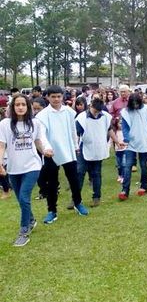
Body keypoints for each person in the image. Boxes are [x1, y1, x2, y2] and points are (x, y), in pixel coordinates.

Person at [0, 94, 53, 246]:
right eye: (17, 105)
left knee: (24, 197)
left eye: (23, 104)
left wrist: (44, 151)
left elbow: (38, 141)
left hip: (32, 166)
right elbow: (2, 145)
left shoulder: (35, 123)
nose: (21, 107)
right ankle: (31, 219)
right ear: (13, 107)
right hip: (13, 168)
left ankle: (24, 231)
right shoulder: (5, 124)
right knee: (20, 199)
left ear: (28, 107)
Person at [35, 85, 89, 223]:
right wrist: (47, 148)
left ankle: (78, 203)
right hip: (50, 153)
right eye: (53, 97)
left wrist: (76, 146)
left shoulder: (69, 112)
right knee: (52, 183)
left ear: (62, 97)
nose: (56, 99)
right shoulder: (42, 115)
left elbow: (72, 130)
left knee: (74, 179)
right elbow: (42, 135)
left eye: (59, 96)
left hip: (68, 150)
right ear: (47, 97)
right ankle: (52, 211)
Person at [75, 98, 123, 207]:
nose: (97, 113)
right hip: (84, 149)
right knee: (79, 172)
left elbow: (109, 130)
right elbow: (76, 135)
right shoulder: (82, 118)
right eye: (95, 111)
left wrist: (117, 142)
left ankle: (96, 197)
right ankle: (76, 198)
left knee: (96, 173)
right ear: (90, 106)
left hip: (98, 148)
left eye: (99, 111)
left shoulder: (105, 116)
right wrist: (75, 148)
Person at [119, 93, 147, 200]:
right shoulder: (125, 112)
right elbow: (124, 127)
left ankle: (144, 187)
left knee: (143, 164)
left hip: (143, 140)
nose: (135, 106)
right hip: (130, 143)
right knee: (128, 165)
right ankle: (125, 190)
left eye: (137, 103)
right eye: (133, 104)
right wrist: (126, 137)